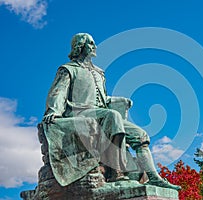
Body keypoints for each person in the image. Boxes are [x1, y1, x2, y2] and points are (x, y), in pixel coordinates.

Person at [43, 33, 180, 190]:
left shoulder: (99, 73)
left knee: (140, 135)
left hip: (102, 113)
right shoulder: (68, 69)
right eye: (91, 43)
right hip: (81, 112)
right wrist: (53, 111)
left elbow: (101, 99)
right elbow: (58, 92)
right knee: (112, 116)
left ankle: (153, 178)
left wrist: (118, 100)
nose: (95, 47)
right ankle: (117, 173)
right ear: (80, 47)